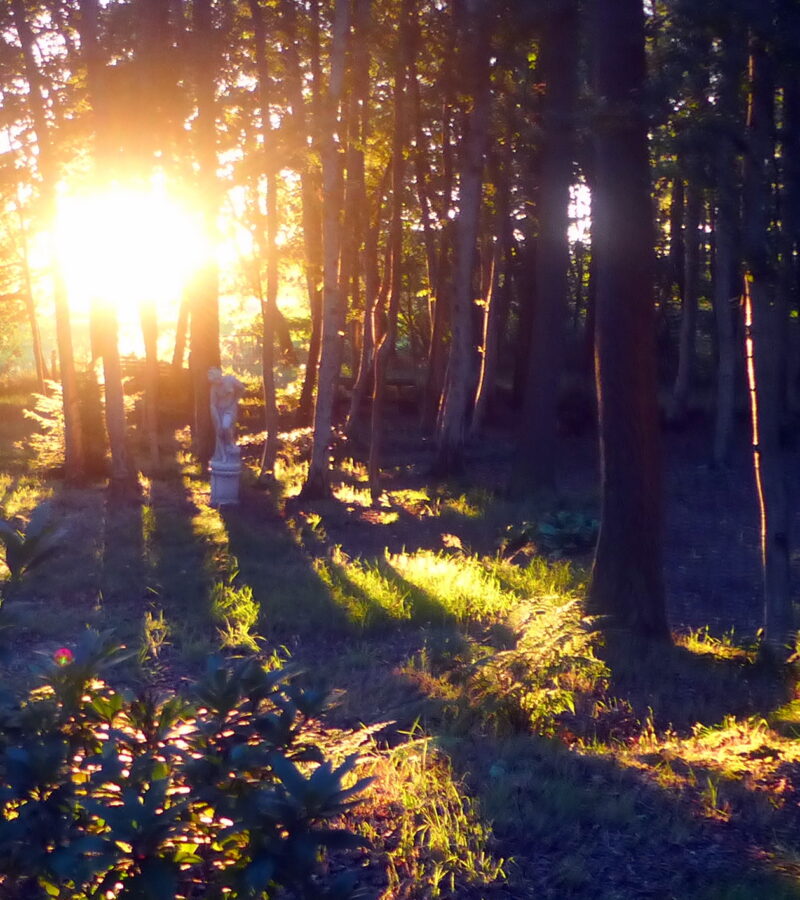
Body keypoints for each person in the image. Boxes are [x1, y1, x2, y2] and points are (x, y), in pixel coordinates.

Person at [208, 367, 245, 462]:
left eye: (217, 379)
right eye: (214, 381)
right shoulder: (214, 389)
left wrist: (235, 400)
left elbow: (242, 388)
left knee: (226, 426)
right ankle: (222, 456)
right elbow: (213, 405)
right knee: (219, 433)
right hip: (219, 411)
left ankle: (230, 444)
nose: (217, 382)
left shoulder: (230, 380)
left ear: (219, 376)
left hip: (230, 409)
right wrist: (216, 419)